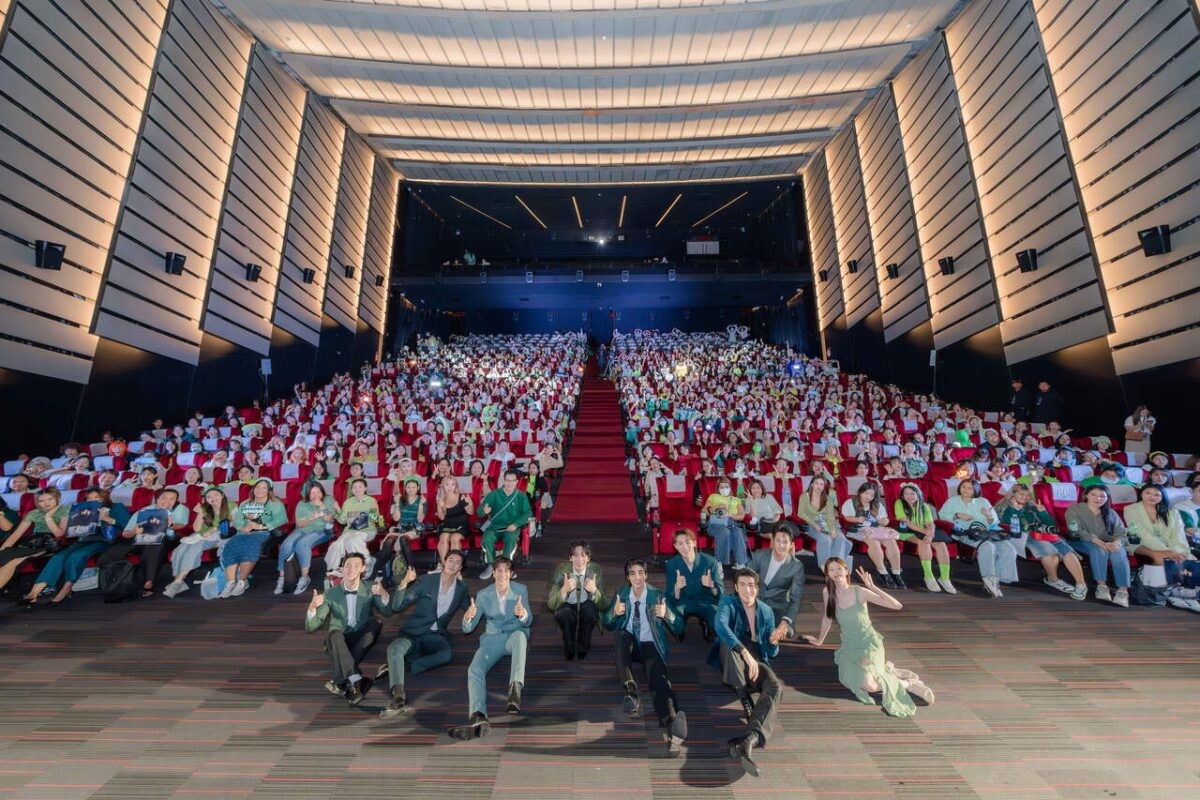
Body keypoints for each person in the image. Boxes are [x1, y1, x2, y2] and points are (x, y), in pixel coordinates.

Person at [802, 559, 933, 718]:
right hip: (849, 647)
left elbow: (897, 606)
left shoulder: (860, 592)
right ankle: (890, 670)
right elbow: (828, 617)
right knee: (852, 680)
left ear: (846, 571)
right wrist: (819, 640)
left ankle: (909, 685)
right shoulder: (827, 592)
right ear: (828, 575)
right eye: (831, 570)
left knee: (870, 686)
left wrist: (873, 587)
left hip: (869, 644)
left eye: (839, 569)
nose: (836, 572)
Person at [602, 557, 688, 755]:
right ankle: (630, 690)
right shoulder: (621, 594)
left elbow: (680, 627)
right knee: (621, 637)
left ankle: (672, 725)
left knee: (658, 681)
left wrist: (667, 615)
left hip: (650, 644)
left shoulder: (657, 596)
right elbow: (606, 624)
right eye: (633, 574)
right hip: (630, 643)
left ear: (646, 575)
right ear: (628, 578)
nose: (638, 577)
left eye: (641, 573)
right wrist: (613, 614)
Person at [710, 568, 785, 778]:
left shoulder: (767, 611)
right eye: (742, 584)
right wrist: (744, 652)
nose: (747, 589)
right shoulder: (728, 602)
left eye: (751, 585)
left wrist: (773, 641)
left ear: (757, 588)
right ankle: (744, 697)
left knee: (776, 686)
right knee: (727, 643)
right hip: (734, 655)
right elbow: (720, 626)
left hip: (757, 660)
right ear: (735, 587)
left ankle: (749, 739)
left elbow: (771, 652)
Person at [378, 551, 471, 718]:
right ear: (444, 562)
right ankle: (398, 696)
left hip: (435, 635)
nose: (453, 564)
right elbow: (397, 607)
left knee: (445, 654)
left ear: (460, 568)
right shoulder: (426, 581)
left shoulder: (462, 588)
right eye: (450, 560)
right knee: (395, 649)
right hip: (413, 633)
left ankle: (400, 666)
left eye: (457, 562)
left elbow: (470, 607)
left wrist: (481, 611)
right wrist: (404, 584)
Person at [448, 556, 532, 741]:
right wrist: (468, 617)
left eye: (506, 571)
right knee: (474, 669)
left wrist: (523, 613)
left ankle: (514, 689)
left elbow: (529, 621)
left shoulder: (521, 590)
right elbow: (467, 629)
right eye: (499, 571)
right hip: (492, 639)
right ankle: (478, 715)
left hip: (513, 636)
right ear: (493, 573)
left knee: (520, 636)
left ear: (511, 574)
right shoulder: (483, 595)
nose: (502, 574)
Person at [21, 487, 129, 606]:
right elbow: (71, 530)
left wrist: (109, 520)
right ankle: (33, 593)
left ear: (104, 497)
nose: (92, 500)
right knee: (58, 557)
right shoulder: (81, 509)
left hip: (103, 540)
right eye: (89, 499)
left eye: (97, 498)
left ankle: (66, 589)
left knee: (76, 556)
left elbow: (127, 527)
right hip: (83, 539)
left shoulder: (116, 507)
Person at [304, 553, 388, 705]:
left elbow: (388, 610)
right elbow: (311, 626)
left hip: (360, 636)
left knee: (376, 622)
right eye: (348, 565)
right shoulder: (330, 593)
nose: (351, 569)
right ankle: (356, 680)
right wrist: (312, 608)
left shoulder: (370, 587)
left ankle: (340, 680)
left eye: (356, 565)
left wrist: (383, 594)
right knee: (334, 635)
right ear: (342, 569)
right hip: (339, 640)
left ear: (363, 568)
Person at [995, 484, 1087, 600]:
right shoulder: (1005, 507)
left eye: (1027, 495)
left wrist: (1043, 512)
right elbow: (1010, 525)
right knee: (1050, 553)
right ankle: (1053, 580)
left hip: (1043, 534)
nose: (1025, 497)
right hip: (1024, 536)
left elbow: (1051, 525)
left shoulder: (1032, 506)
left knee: (1067, 551)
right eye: (1021, 494)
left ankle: (1081, 584)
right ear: (1012, 494)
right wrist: (1016, 511)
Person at [97, 487, 190, 598]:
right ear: (157, 498)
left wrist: (170, 524)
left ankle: (148, 582)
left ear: (176, 501)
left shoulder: (181, 509)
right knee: (106, 558)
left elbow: (182, 525)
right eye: (164, 498)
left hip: (168, 537)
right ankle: (118, 579)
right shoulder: (143, 511)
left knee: (154, 545)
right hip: (140, 538)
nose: (167, 501)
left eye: (172, 499)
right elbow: (126, 533)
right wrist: (134, 532)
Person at [939, 479, 1014, 597]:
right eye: (963, 487)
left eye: (970, 488)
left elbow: (994, 522)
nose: (966, 490)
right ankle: (988, 578)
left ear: (975, 490)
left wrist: (989, 516)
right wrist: (957, 515)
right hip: (965, 533)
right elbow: (942, 517)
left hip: (986, 532)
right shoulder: (952, 501)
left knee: (1008, 547)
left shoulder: (983, 501)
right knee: (988, 546)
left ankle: (996, 579)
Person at [1064, 485, 1130, 607]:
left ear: (1107, 498)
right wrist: (1099, 542)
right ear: (1086, 495)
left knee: (1119, 552)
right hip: (1081, 541)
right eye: (1093, 495)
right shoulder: (1074, 509)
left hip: (1108, 542)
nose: (1098, 498)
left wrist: (1117, 543)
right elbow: (1076, 530)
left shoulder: (1111, 512)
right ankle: (1102, 586)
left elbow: (1121, 532)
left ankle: (1122, 591)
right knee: (1099, 551)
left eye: (1102, 496)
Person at [220, 479, 287, 598]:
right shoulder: (245, 503)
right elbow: (237, 521)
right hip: (245, 533)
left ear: (269, 490)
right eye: (257, 487)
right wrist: (243, 527)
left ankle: (242, 581)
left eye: (264, 488)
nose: (260, 490)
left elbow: (282, 520)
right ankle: (230, 582)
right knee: (231, 546)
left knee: (250, 547)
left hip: (263, 533)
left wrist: (262, 525)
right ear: (253, 489)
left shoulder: (275, 503)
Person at [546, 540, 610, 660]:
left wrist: (595, 591)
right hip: (567, 604)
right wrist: (564, 590)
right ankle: (569, 646)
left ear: (589, 558)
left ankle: (583, 646)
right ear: (570, 558)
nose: (579, 560)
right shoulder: (561, 570)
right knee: (564, 615)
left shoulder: (595, 570)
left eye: (583, 555)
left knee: (590, 613)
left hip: (587, 603)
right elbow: (551, 604)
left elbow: (605, 605)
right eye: (575, 555)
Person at [163, 487, 231, 597]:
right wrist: (200, 513)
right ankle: (179, 580)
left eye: (215, 495)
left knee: (194, 547)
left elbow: (233, 523)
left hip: (219, 536)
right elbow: (196, 528)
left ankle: (178, 582)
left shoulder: (231, 506)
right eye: (209, 497)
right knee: (180, 548)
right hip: (201, 535)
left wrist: (214, 529)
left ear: (222, 495)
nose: (212, 498)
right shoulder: (206, 509)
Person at [0, 489, 68, 593]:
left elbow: (59, 534)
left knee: (13, 561)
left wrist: (48, 517)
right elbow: (15, 535)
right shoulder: (33, 513)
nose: (46, 503)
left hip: (53, 541)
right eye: (41, 501)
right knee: (6, 557)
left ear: (57, 499)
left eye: (50, 499)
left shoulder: (65, 510)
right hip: (33, 541)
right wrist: (2, 549)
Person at [277, 482, 339, 595]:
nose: (316, 495)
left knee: (302, 544)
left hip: (322, 530)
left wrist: (322, 506)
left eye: (318, 492)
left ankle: (304, 577)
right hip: (303, 529)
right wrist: (309, 518)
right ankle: (282, 577)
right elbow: (300, 524)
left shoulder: (328, 500)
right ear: (307, 494)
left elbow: (329, 519)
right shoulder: (302, 504)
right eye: (312, 493)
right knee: (286, 544)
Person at [893, 482, 955, 594]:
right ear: (902, 496)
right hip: (907, 532)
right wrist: (927, 533)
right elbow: (907, 523)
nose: (909, 496)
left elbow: (930, 523)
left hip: (924, 531)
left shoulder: (925, 506)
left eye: (912, 493)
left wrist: (930, 532)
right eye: (906, 493)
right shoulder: (899, 503)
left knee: (941, 544)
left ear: (918, 494)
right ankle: (928, 575)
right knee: (923, 542)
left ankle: (945, 578)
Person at [663, 528, 723, 641]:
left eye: (687, 542)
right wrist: (677, 589)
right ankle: (681, 625)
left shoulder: (710, 561)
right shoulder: (671, 564)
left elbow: (720, 594)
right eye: (679, 544)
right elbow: (670, 597)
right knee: (675, 624)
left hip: (706, 602)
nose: (684, 547)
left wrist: (712, 585)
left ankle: (708, 625)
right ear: (675, 546)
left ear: (694, 543)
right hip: (683, 603)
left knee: (718, 622)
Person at [841, 482, 903, 589]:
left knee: (891, 541)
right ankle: (883, 572)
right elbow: (844, 518)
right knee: (874, 542)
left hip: (875, 529)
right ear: (860, 492)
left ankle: (896, 572)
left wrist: (885, 521)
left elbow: (885, 519)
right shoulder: (850, 502)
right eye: (866, 494)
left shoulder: (877, 505)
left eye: (871, 495)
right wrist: (856, 519)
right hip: (858, 530)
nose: (868, 497)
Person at [1123, 483, 1191, 577]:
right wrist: (1168, 552)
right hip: (1138, 542)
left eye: (1157, 494)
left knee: (1186, 561)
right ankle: (1156, 587)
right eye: (1148, 493)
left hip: (1170, 545)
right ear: (1141, 493)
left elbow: (1178, 534)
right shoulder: (1130, 509)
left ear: (1162, 496)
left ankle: (1179, 588)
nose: (1152, 497)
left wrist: (1179, 551)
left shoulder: (1172, 512)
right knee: (1163, 559)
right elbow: (1140, 532)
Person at [748, 528, 805, 637]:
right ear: (772, 541)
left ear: (791, 545)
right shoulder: (759, 555)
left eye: (785, 542)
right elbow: (747, 581)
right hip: (756, 603)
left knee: (787, 632)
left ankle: (768, 628)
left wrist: (785, 622)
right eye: (778, 541)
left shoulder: (797, 566)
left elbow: (795, 600)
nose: (781, 546)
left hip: (778, 607)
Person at [476, 470, 532, 580]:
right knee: (487, 539)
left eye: (512, 481)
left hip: (511, 527)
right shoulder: (494, 494)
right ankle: (491, 565)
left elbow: (527, 513)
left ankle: (507, 567)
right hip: (495, 526)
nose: (510, 484)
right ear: (503, 480)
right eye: (507, 481)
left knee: (511, 539)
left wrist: (516, 524)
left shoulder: (521, 496)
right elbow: (479, 511)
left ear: (516, 481)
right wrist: (484, 511)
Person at [325, 478, 383, 575]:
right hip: (350, 531)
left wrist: (373, 511)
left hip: (367, 530)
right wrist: (338, 510)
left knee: (351, 541)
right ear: (351, 490)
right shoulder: (347, 502)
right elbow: (342, 521)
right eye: (355, 487)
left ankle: (368, 562)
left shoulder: (371, 501)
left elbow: (375, 520)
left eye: (360, 487)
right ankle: (333, 569)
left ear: (365, 488)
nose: (357, 489)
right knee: (336, 544)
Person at [796, 475, 850, 571]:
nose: (819, 486)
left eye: (821, 484)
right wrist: (814, 524)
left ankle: (837, 566)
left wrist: (832, 530)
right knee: (826, 539)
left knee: (840, 537)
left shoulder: (827, 499)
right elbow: (801, 514)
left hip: (828, 524)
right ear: (812, 484)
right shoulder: (804, 496)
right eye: (816, 483)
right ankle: (825, 567)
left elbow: (830, 517)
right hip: (812, 525)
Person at [701, 476, 749, 569]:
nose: (724, 489)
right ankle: (718, 563)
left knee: (738, 532)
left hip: (731, 523)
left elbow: (742, 516)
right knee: (724, 532)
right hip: (715, 524)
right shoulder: (713, 496)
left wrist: (730, 515)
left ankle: (741, 563)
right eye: (721, 487)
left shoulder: (736, 500)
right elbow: (704, 511)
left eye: (726, 487)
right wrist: (717, 506)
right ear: (718, 488)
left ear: (730, 487)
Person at [433, 475, 472, 572]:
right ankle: (444, 565)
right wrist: (440, 506)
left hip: (461, 525)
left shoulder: (461, 496)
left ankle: (457, 567)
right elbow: (441, 518)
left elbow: (470, 512)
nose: (449, 487)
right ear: (442, 486)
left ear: (456, 486)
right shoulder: (441, 499)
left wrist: (470, 503)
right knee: (443, 537)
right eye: (447, 484)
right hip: (448, 525)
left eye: (452, 484)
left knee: (455, 538)